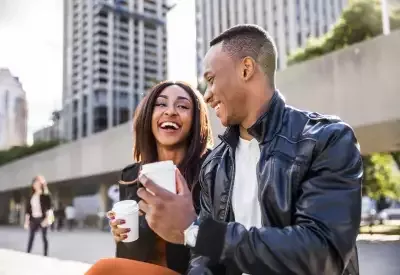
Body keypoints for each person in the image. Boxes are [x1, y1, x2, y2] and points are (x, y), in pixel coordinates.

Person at [135, 24, 363, 275]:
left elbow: (323, 256)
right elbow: (204, 261)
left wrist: (195, 231)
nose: (207, 95)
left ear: (246, 69)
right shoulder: (215, 165)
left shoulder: (326, 139)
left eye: (210, 80)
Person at [85, 81, 212, 275]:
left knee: (104, 269)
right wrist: (122, 236)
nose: (170, 111)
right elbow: (127, 257)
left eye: (183, 106)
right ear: (148, 116)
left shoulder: (213, 169)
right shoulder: (131, 176)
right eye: (161, 104)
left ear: (196, 120)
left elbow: (221, 249)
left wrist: (189, 225)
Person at [25, 175, 52, 256]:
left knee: (44, 237)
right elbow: (28, 210)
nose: (36, 185)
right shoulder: (31, 197)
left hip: (42, 218)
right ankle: (27, 253)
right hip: (33, 219)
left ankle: (45, 255)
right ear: (33, 186)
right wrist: (26, 222)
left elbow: (49, 205)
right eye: (34, 184)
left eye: (37, 183)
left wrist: (47, 219)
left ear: (40, 185)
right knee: (31, 237)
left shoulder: (44, 195)